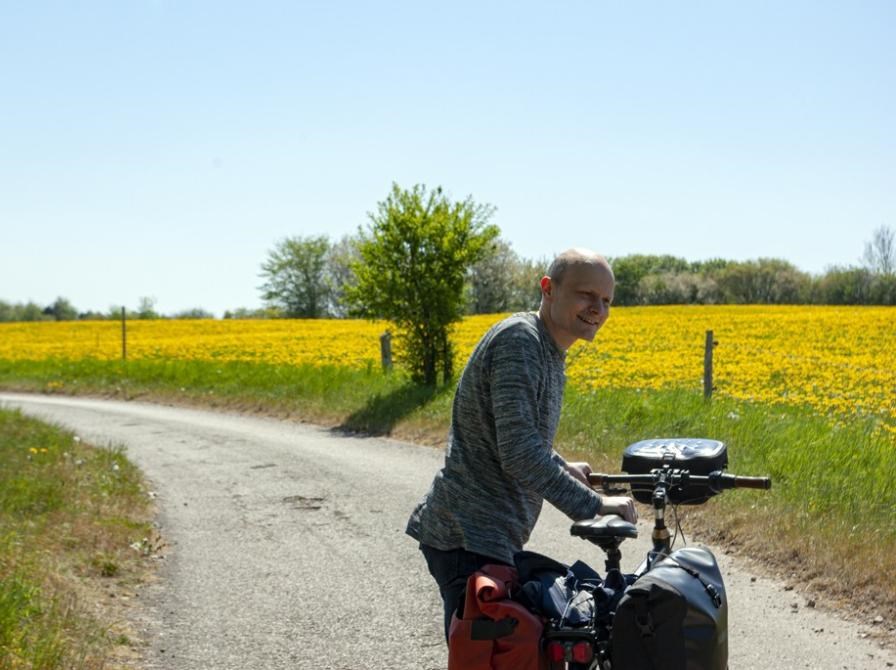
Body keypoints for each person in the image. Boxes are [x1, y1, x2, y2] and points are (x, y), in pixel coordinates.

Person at [406, 248, 638, 641]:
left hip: (485, 537)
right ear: (549, 288)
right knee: (487, 659)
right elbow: (518, 453)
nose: (597, 308)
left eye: (606, 300)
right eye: (586, 294)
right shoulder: (521, 341)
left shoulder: (548, 349)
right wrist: (594, 506)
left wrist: (563, 468)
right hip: (469, 536)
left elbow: (517, 434)